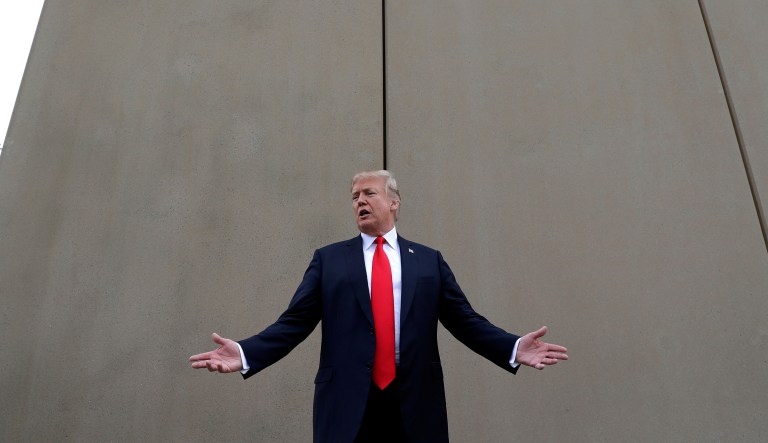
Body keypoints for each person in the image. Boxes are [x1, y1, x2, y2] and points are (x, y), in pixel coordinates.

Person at [190, 170, 568, 442]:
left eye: (369, 193)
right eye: (354, 196)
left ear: (393, 202)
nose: (360, 201)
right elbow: (294, 323)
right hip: (348, 401)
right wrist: (245, 352)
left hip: (413, 400)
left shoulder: (428, 261)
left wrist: (513, 347)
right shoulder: (329, 260)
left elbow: (465, 321)